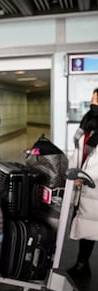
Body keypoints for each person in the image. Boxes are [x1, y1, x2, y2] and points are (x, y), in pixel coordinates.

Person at [68, 87, 98, 278]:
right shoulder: (87, 123)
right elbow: (79, 152)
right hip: (81, 181)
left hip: (93, 184)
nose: (94, 102)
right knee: (85, 223)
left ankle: (82, 264)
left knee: (90, 225)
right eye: (93, 98)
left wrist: (86, 177)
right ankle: (82, 262)